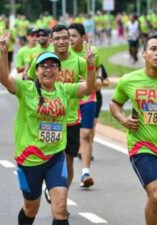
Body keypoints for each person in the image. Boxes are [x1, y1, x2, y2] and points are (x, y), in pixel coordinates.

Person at [0, 32, 95, 225]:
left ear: (59, 71)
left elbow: (89, 86)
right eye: (43, 66)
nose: (48, 70)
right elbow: (4, 80)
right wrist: (3, 54)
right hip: (29, 159)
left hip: (56, 156)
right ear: (36, 70)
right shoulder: (27, 89)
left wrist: (90, 65)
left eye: (53, 66)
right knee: (30, 208)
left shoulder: (64, 90)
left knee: (60, 208)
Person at [110, 32, 157, 225]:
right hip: (142, 146)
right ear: (144, 54)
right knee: (156, 195)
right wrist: (123, 119)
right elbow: (115, 103)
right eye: (153, 49)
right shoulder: (129, 80)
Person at [68, 23, 102, 188]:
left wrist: (97, 80)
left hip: (88, 98)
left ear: (83, 37)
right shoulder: (62, 53)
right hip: (68, 101)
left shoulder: (92, 51)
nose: (70, 39)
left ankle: (85, 172)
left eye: (74, 35)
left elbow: (98, 70)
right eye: (69, 36)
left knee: (87, 133)